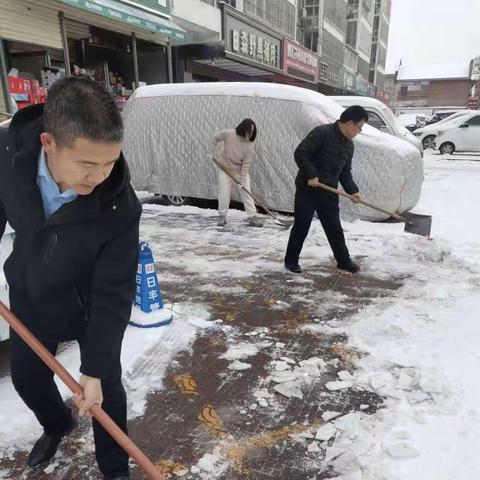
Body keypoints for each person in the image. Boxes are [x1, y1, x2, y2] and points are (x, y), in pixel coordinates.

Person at [0, 77, 141, 480]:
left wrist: (93, 370)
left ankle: (115, 471)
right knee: (27, 379)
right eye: (87, 164)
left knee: (104, 395)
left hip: (88, 303)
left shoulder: (119, 204)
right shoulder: (7, 156)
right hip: (31, 291)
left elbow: (115, 289)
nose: (100, 176)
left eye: (110, 162)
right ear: (49, 143)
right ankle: (57, 424)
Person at [284, 106, 369, 274]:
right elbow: (301, 153)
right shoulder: (322, 132)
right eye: (360, 127)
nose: (359, 131)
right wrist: (311, 174)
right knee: (302, 226)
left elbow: (345, 173)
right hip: (308, 189)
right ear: (350, 123)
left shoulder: (349, 146)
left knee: (334, 228)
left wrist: (353, 191)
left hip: (329, 191)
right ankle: (291, 261)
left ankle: (343, 261)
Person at [209, 118, 263, 227]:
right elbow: (215, 137)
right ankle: (222, 216)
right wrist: (211, 152)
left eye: (252, 132)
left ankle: (252, 216)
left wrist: (242, 179)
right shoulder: (229, 134)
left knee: (246, 191)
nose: (250, 135)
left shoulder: (250, 145)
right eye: (248, 132)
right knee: (224, 192)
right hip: (225, 168)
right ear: (243, 129)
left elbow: (246, 164)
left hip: (239, 170)